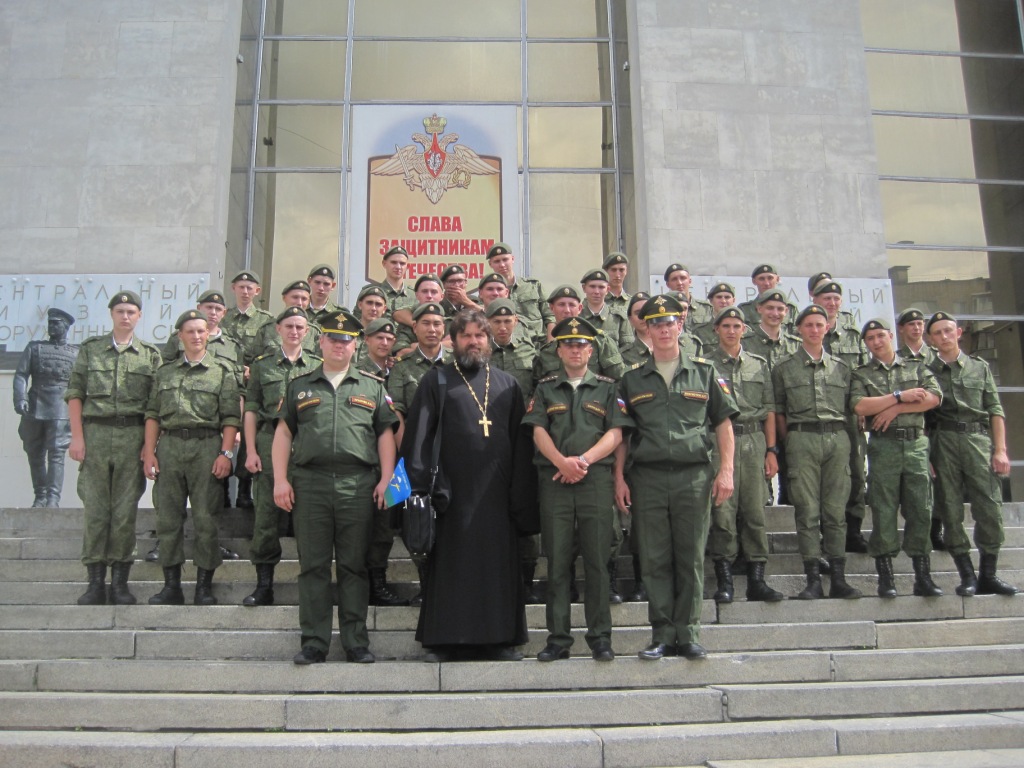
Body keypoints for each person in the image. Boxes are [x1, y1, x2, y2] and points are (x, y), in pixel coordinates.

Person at [402, 308, 538, 662]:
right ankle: (445, 641)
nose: (473, 341)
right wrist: (418, 491)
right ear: (453, 340)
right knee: (451, 568)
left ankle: (500, 639)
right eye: (466, 336)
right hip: (450, 493)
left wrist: (520, 497)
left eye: (480, 335)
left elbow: (522, 447)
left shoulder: (508, 384)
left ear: (488, 340)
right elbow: (418, 437)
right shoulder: (438, 380)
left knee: (496, 568)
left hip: (496, 494)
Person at [615, 294, 738, 661]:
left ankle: (689, 633)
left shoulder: (704, 372)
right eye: (656, 324)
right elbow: (622, 432)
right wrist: (618, 478)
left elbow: (723, 424)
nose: (664, 329)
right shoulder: (631, 379)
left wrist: (726, 470)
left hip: (693, 477)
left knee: (690, 557)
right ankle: (662, 634)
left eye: (670, 323)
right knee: (654, 559)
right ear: (646, 329)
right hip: (648, 478)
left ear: (680, 326)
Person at [274, 309, 399, 665]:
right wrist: (280, 480)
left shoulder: (372, 386)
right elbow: (284, 433)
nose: (339, 345)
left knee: (353, 566)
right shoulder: (300, 386)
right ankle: (314, 642)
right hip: (310, 484)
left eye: (346, 340)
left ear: (355, 345)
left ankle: (355, 642)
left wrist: (387, 479)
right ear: (321, 341)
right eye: (333, 339)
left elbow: (385, 434)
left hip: (357, 484)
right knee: (312, 566)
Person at [525, 316, 630, 661]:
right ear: (558, 349)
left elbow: (616, 433)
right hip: (555, 482)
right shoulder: (545, 388)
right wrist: (561, 462)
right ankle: (557, 639)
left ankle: (600, 637)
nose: (575, 349)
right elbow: (538, 430)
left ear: (591, 349)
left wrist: (581, 461)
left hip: (595, 482)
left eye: (581, 344)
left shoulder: (607, 387)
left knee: (598, 561)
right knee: (557, 562)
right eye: (568, 344)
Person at [66, 291, 162, 606]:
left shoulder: (149, 355)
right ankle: (95, 583)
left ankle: (120, 583)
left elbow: (154, 407)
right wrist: (77, 437)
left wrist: (149, 448)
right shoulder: (91, 350)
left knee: (124, 514)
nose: (125, 316)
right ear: (111, 314)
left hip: (132, 435)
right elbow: (76, 393)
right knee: (96, 511)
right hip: (95, 433)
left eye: (131, 311)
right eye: (120, 310)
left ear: (138, 316)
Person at [143, 310, 242, 606]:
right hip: (170, 446)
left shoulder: (222, 371)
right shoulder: (165, 372)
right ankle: (171, 586)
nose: (197, 336)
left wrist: (226, 453)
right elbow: (152, 415)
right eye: (191, 332)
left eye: (202, 331)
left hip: (206, 446)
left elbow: (230, 418)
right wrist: (149, 451)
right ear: (180, 336)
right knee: (168, 518)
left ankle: (203, 586)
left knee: (205, 518)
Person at [772, 305, 860, 600]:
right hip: (801, 439)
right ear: (798, 329)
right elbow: (779, 410)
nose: (813, 329)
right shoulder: (784, 368)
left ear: (826, 328)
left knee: (835, 512)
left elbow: (852, 409)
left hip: (837, 438)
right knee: (807, 511)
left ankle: (839, 578)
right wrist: (790, 442)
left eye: (819, 324)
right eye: (808, 325)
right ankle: (812, 579)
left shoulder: (842, 368)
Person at [927, 311, 1018, 596]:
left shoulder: (979, 368)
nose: (944, 336)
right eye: (937, 333)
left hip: (978, 441)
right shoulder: (926, 372)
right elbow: (925, 420)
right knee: (950, 509)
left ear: (959, 333)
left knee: (989, 508)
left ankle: (988, 574)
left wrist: (1001, 450)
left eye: (948, 330)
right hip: (944, 442)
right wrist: (928, 455)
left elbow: (995, 410)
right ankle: (966, 575)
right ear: (931, 339)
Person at [850, 318, 942, 598]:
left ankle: (922, 577)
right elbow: (860, 406)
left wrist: (895, 409)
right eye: (870, 339)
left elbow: (934, 397)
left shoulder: (915, 365)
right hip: (884, 446)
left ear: (891, 335)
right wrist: (900, 396)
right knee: (883, 509)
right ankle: (886, 578)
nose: (877, 342)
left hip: (915, 445)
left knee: (920, 510)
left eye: (880, 336)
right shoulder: (862, 374)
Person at [241, 306, 320, 607]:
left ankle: (311, 586)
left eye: (300, 327)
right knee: (266, 517)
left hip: (306, 444)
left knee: (310, 519)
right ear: (278, 329)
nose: (295, 332)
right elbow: (250, 409)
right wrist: (249, 450)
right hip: (268, 439)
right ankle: (264, 585)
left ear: (308, 331)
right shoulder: (262, 366)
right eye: (289, 326)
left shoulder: (317, 365)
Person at [706, 307, 784, 603]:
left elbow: (770, 409)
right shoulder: (705, 365)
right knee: (722, 512)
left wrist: (772, 450)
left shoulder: (758, 364)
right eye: (725, 325)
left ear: (744, 329)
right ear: (716, 329)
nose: (731, 330)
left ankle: (757, 580)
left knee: (754, 511)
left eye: (736, 325)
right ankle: (725, 580)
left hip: (753, 441)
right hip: (718, 440)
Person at [486, 299, 542, 603]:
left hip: (523, 442)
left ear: (517, 321)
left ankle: (527, 580)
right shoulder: (480, 354)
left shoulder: (531, 353)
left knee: (523, 508)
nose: (503, 327)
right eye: (496, 322)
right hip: (488, 443)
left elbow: (539, 392)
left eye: (507, 321)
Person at [813, 280, 869, 553]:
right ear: (814, 298)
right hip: (818, 415)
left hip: (849, 414)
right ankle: (827, 530)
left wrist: (861, 409)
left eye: (836, 298)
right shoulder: (805, 330)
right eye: (826, 297)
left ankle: (854, 529)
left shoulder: (853, 335)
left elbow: (862, 373)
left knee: (856, 472)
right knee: (824, 478)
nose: (831, 302)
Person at [355, 317, 405, 607]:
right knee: (367, 521)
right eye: (379, 338)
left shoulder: (397, 371)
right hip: (367, 457)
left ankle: (379, 582)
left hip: (397, 459)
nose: (385, 343)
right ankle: (364, 583)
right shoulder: (360, 372)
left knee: (387, 522)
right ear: (367, 340)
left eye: (389, 339)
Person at [14, 307, 78, 508]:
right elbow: (21, 374)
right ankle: (40, 495)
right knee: (34, 451)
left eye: (56, 323)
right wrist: (20, 398)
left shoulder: (76, 353)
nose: (52, 326)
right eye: (50, 323)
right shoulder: (35, 348)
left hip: (61, 406)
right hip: (35, 404)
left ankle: (52, 498)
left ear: (66, 326)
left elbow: (81, 384)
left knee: (56, 453)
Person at [534, 285, 625, 381]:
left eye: (572, 305)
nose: (567, 310)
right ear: (551, 308)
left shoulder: (599, 341)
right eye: (561, 304)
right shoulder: (546, 350)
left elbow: (619, 378)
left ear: (580, 308)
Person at [486, 242, 554, 345]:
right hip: (511, 349)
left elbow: (550, 317)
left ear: (512, 259)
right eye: (497, 261)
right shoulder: (490, 293)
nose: (502, 264)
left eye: (505, 259)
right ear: (490, 264)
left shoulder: (533, 286)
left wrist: (550, 346)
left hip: (538, 345)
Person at [221, 270, 275, 367]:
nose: (245, 292)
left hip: (253, 374)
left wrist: (252, 369)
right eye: (241, 287)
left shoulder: (266, 319)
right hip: (227, 371)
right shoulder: (223, 317)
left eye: (249, 288)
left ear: (257, 291)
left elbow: (270, 350)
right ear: (233, 288)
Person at [579, 268, 633, 349]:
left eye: (601, 287)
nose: (596, 291)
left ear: (607, 289)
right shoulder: (577, 317)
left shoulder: (619, 318)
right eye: (592, 286)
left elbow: (628, 349)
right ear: (584, 288)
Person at [736, 264, 798, 329]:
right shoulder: (745, 309)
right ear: (754, 281)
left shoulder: (791, 308)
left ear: (777, 279)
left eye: (770, 278)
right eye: (761, 279)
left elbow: (798, 333)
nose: (766, 283)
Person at [663, 263, 713, 330]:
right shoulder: (663, 309)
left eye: (683, 278)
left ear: (689, 281)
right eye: (674, 279)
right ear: (667, 284)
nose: (679, 283)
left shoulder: (706, 309)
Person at [379, 245, 414, 313]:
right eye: (393, 262)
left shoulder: (415, 295)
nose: (398, 267)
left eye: (402, 263)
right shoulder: (372, 293)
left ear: (408, 266)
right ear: (384, 263)